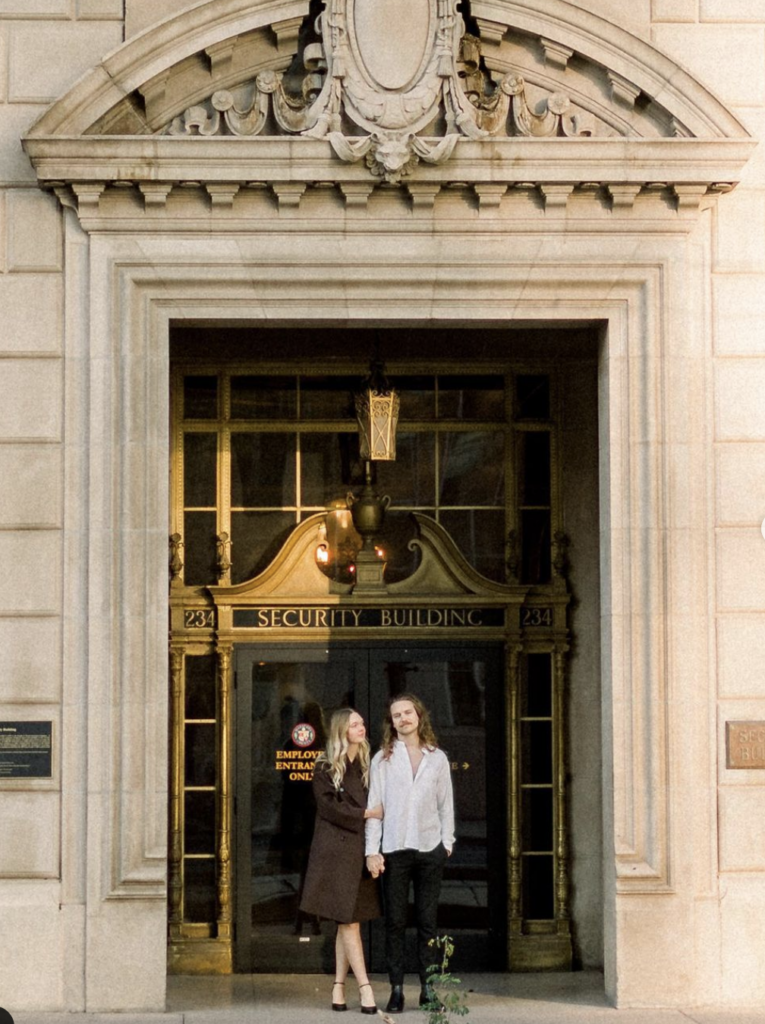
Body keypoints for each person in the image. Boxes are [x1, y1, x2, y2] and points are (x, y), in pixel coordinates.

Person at [365, 693, 455, 1014]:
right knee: (396, 923)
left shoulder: (437, 758)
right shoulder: (382, 759)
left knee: (428, 924)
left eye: (408, 712)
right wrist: (370, 851)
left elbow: (446, 804)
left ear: (419, 715)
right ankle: (397, 989)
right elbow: (375, 808)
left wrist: (447, 841)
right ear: (391, 722)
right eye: (396, 715)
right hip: (395, 852)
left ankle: (428, 989)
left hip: (430, 850)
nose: (403, 718)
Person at [300, 708, 383, 1014]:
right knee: (349, 923)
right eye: (355, 724)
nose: (362, 728)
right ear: (341, 730)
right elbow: (329, 808)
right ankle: (364, 987)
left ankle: (338, 987)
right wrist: (366, 813)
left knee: (347, 921)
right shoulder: (324, 766)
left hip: (359, 852)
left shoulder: (367, 763)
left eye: (362, 722)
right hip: (334, 854)